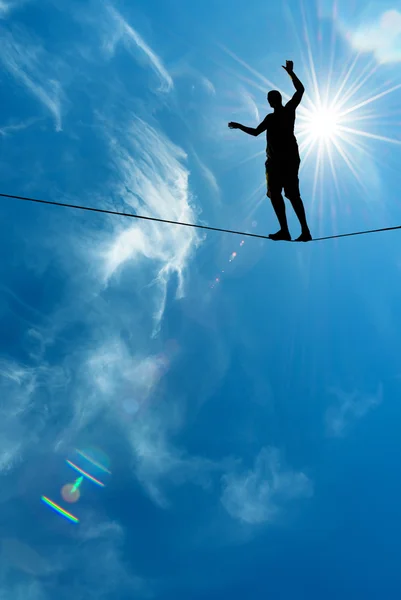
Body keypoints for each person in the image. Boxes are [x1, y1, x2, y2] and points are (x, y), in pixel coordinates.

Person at [228, 60, 312, 242]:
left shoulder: (288, 110)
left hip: (286, 158)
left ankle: (304, 231)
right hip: (275, 161)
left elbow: (300, 91)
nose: (270, 101)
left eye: (271, 99)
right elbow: (256, 132)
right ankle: (286, 230)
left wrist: (291, 73)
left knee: (291, 194)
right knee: (276, 194)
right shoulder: (272, 117)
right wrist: (239, 125)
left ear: (275, 100)